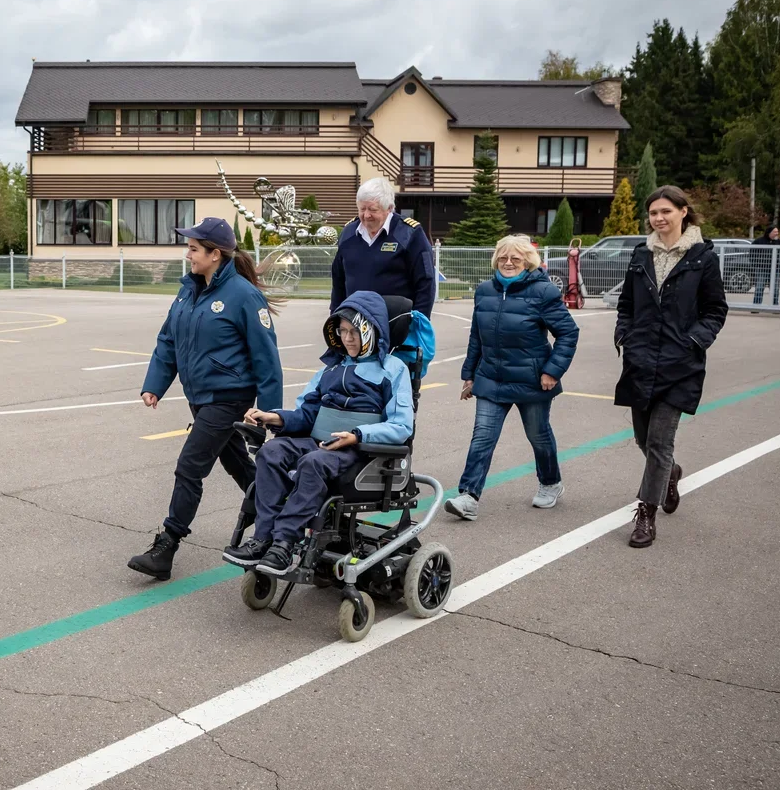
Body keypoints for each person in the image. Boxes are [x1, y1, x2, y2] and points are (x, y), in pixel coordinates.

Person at [129, 216, 284, 581]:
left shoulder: (244, 296)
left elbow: (267, 359)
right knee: (241, 468)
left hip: (230, 397)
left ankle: (166, 546)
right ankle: (282, 522)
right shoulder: (188, 290)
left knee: (190, 466)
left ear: (215, 254)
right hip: (199, 397)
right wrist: (155, 384)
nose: (188, 255)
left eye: (194, 249)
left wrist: (269, 414)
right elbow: (169, 339)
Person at [221, 291, 413, 576]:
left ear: (371, 331)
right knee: (271, 451)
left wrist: (357, 436)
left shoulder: (393, 370)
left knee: (313, 462)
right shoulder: (331, 369)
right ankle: (262, 539)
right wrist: (273, 416)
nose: (347, 338)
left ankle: (284, 544)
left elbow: (401, 426)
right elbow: (306, 414)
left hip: (358, 453)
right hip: (319, 442)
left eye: (355, 332)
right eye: (343, 331)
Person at [615, 186, 728, 548]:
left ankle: (645, 514)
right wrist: (624, 336)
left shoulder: (702, 258)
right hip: (641, 360)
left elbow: (715, 310)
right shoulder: (640, 255)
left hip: (680, 364)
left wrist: (694, 341)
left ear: (683, 212)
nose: (658, 218)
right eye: (653, 213)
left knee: (660, 442)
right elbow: (626, 305)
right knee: (643, 440)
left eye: (665, 211)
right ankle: (671, 473)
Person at [444, 234, 579, 521]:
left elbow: (568, 333)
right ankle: (468, 496)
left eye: (515, 258)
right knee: (482, 437)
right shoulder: (484, 291)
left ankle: (551, 483)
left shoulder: (543, 292)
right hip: (491, 378)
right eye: (503, 258)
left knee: (538, 436)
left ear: (527, 261)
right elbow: (476, 337)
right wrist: (469, 375)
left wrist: (552, 371)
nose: (508, 263)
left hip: (532, 380)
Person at [330, 177, 435, 316]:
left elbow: (425, 284)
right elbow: (338, 282)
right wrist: (335, 317)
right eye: (362, 209)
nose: (366, 215)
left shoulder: (409, 234)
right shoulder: (348, 234)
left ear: (389, 208)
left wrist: (417, 324)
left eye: (373, 209)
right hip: (355, 324)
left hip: (397, 324)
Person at [751, 225, 780, 307]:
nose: (776, 233)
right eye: (775, 232)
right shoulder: (758, 241)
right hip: (761, 269)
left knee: (775, 289)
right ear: (769, 232)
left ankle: (774, 305)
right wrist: (755, 265)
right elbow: (752, 254)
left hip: (776, 270)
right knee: (759, 288)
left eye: (777, 232)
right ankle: (756, 306)